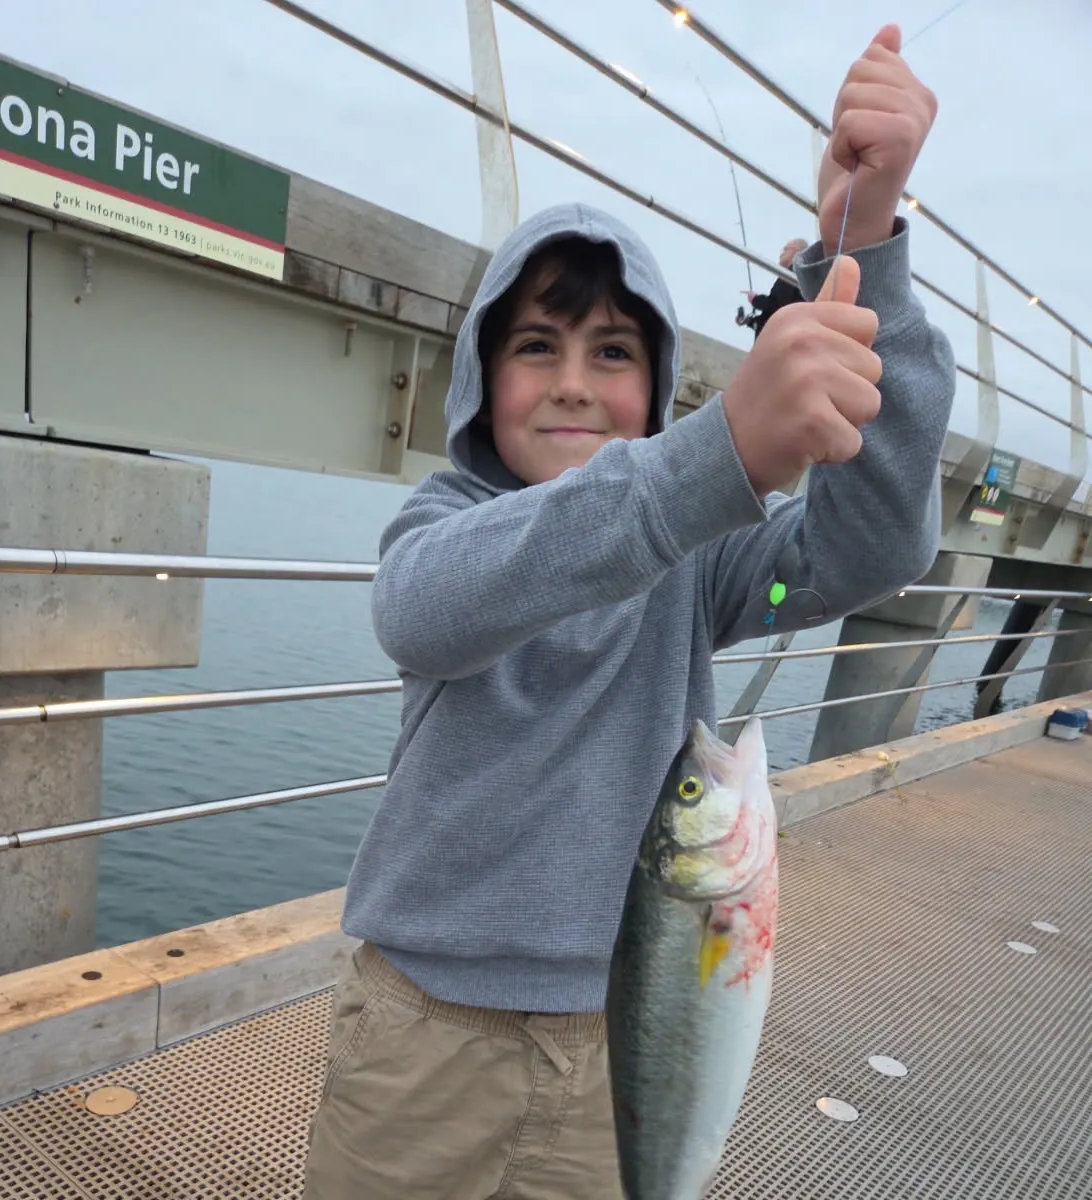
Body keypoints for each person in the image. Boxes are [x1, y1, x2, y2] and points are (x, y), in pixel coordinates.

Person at [302, 22, 949, 1200]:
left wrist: (873, 246)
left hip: (631, 1027)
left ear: (656, 389)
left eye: (612, 351)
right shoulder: (447, 523)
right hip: (416, 1038)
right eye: (534, 346)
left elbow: (871, 548)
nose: (569, 381)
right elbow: (423, 612)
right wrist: (708, 463)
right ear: (478, 377)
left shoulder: (702, 568)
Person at [737, 237, 809, 337]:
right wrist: (750, 321)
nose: (781, 253)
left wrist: (755, 299)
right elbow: (773, 313)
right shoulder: (798, 276)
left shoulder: (792, 275)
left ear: (796, 251)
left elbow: (778, 306)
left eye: (785, 249)